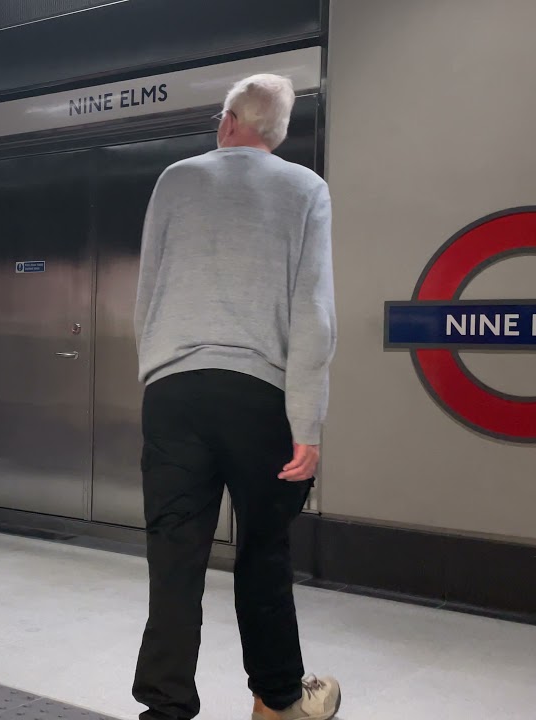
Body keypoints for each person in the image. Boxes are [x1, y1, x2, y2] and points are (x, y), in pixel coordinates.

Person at [131, 74, 339, 720]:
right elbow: (314, 317)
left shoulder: (176, 180)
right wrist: (307, 424)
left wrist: (157, 376)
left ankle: (164, 710)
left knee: (174, 555)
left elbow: (147, 293)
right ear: (277, 134)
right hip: (259, 398)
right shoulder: (306, 189)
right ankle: (277, 701)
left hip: (173, 393)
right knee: (263, 550)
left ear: (226, 122)